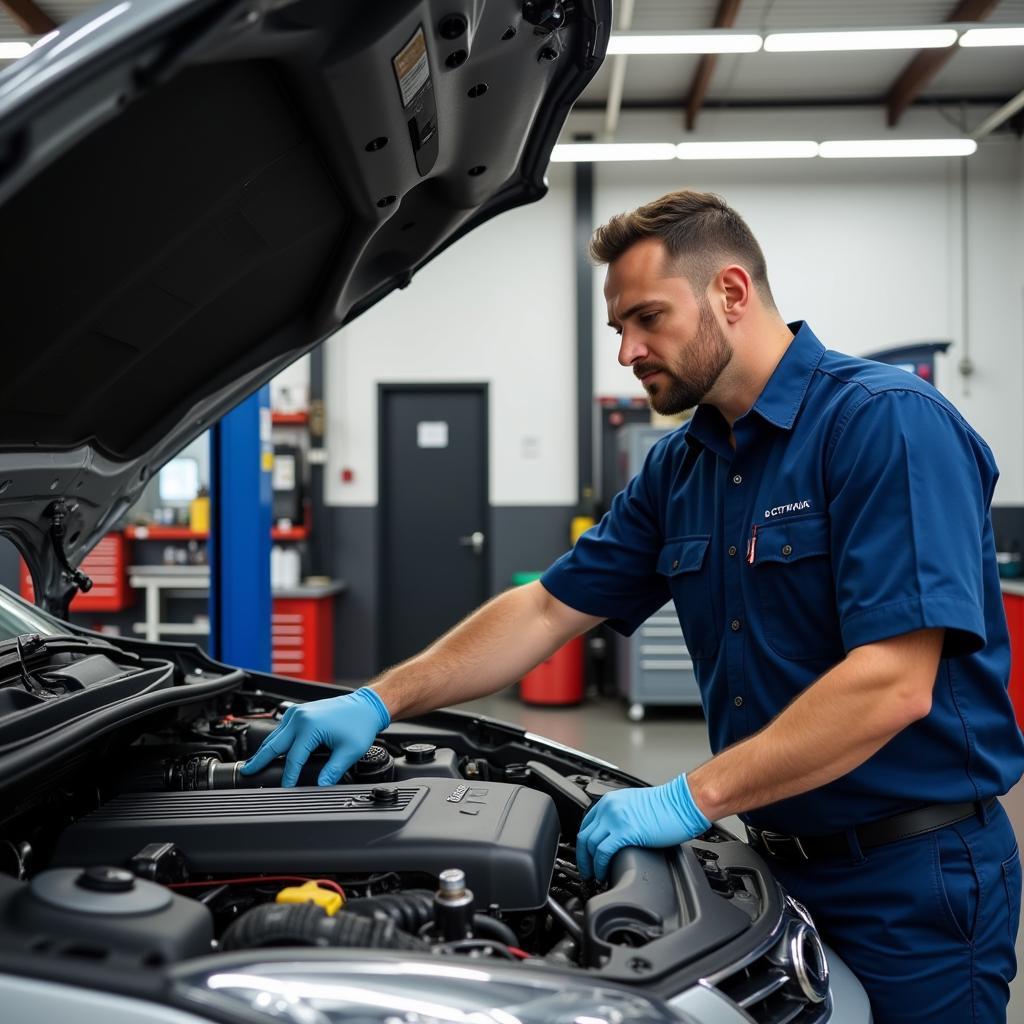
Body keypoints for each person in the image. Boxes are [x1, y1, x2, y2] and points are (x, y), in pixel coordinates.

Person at [241, 189, 1024, 1023]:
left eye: (647, 319)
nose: (628, 352)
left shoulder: (884, 425)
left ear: (731, 291)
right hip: (775, 866)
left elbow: (891, 684)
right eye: (618, 328)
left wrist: (688, 799)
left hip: (915, 879)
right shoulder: (680, 468)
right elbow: (547, 610)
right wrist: (378, 698)